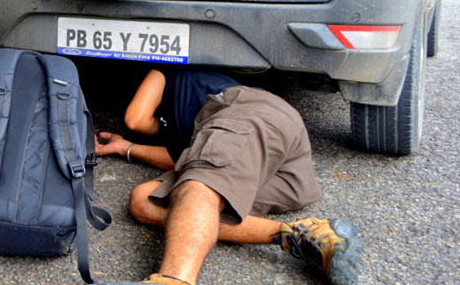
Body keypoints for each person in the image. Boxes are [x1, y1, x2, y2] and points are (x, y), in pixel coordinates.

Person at [95, 68, 362, 285]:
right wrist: (125, 148)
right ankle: (302, 235)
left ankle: (174, 279)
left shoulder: (169, 70)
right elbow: (178, 158)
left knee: (199, 187)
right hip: (283, 171)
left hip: (249, 112)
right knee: (144, 200)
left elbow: (136, 120)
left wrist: (134, 137)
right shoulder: (194, 136)